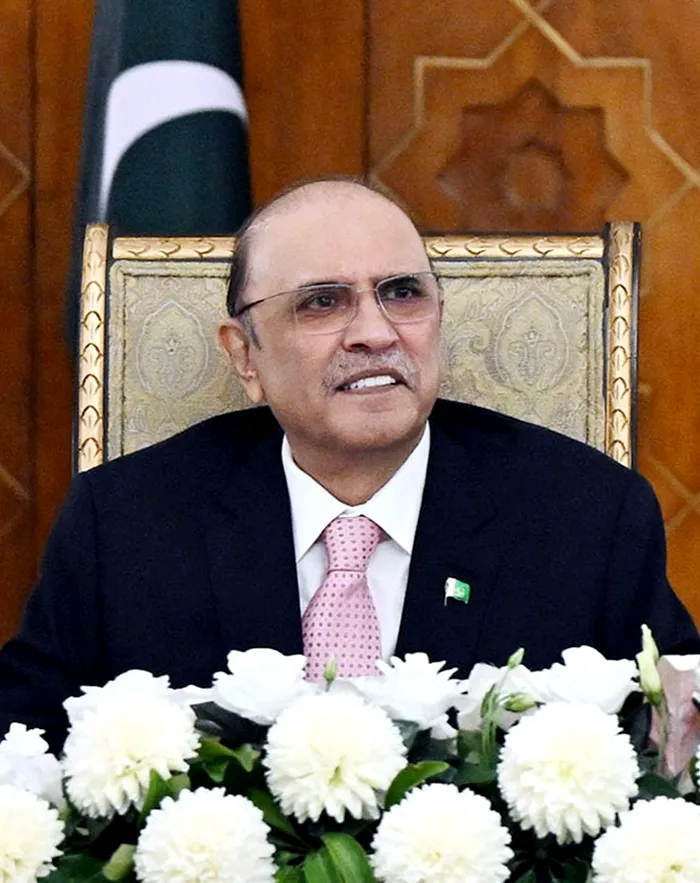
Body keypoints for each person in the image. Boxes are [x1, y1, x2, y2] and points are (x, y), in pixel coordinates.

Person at [0, 178, 697, 750]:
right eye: (322, 303)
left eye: (402, 293)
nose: (373, 332)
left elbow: (678, 754)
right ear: (245, 356)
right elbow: (23, 750)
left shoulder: (587, 516)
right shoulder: (125, 523)